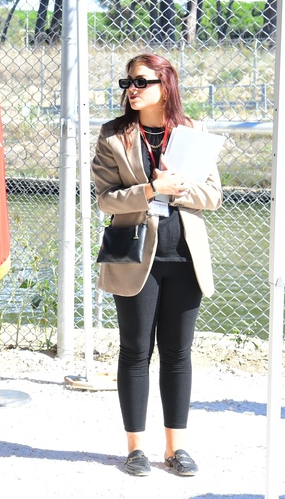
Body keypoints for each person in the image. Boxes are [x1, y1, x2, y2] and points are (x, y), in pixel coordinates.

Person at [91, 53, 222, 479]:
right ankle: (135, 448)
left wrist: (176, 189)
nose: (131, 89)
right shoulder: (113, 137)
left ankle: (176, 448)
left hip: (184, 257)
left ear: (165, 85)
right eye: (127, 82)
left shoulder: (193, 133)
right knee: (135, 351)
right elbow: (106, 199)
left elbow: (213, 197)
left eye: (141, 82)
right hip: (133, 257)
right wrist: (151, 189)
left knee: (178, 354)